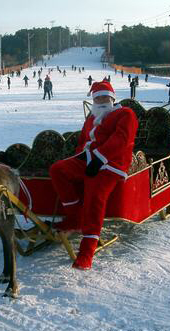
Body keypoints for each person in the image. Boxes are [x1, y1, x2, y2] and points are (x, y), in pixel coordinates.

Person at [49, 81, 138, 270]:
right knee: (58, 170)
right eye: (97, 97)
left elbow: (121, 140)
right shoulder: (91, 117)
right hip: (87, 159)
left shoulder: (125, 114)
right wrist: (78, 160)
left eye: (105, 97)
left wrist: (99, 159)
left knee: (94, 195)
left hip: (111, 164)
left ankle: (87, 252)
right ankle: (74, 217)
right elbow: (83, 141)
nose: (101, 100)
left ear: (112, 98)